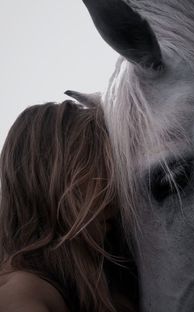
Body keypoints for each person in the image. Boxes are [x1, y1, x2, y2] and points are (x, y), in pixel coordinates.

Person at [0, 99, 139, 312]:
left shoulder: (105, 284)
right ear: (46, 183)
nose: (114, 202)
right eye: (99, 179)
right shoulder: (22, 294)